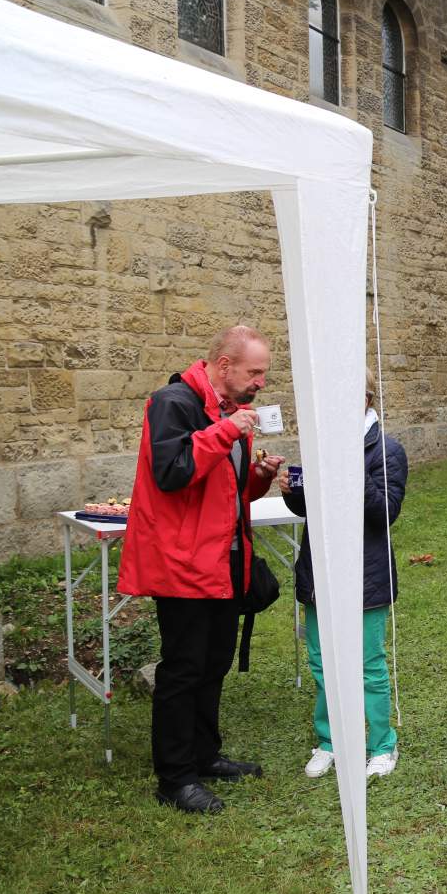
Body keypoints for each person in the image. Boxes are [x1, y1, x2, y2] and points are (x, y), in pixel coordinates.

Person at [120, 325, 282, 814]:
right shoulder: (173, 403)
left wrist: (256, 477)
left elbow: (218, 495)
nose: (260, 383)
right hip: (184, 564)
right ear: (224, 363)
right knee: (183, 668)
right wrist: (226, 433)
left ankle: (204, 755)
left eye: (263, 374)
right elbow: (172, 474)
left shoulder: (224, 413)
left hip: (222, 560)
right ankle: (175, 777)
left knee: (215, 661)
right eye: (254, 372)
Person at [279, 368, 408, 781]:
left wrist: (348, 468)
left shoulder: (386, 449)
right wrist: (293, 490)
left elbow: (384, 512)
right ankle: (330, 740)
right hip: (321, 572)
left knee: (367, 663)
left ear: (364, 400)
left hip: (365, 576)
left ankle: (381, 744)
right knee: (322, 661)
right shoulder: (322, 445)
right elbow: (308, 510)